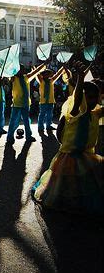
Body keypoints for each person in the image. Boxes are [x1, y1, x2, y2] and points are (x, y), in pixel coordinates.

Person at [32, 62, 104, 215]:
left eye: (95, 98)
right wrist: (80, 78)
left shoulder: (95, 113)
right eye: (89, 98)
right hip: (69, 158)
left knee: (84, 184)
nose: (93, 101)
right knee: (67, 185)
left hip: (86, 156)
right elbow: (78, 98)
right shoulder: (77, 111)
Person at [7, 62, 47, 144]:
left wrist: (44, 64)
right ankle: (10, 137)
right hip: (17, 104)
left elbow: (36, 72)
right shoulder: (13, 78)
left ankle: (28, 136)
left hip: (25, 104)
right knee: (13, 121)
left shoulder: (26, 77)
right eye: (21, 69)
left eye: (23, 69)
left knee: (26, 121)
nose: (23, 70)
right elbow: (8, 74)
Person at [37, 67, 64, 133]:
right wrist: (33, 67)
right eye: (46, 74)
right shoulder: (41, 81)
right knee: (42, 115)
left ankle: (48, 126)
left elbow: (58, 74)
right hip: (43, 102)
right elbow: (36, 73)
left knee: (49, 115)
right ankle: (40, 127)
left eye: (48, 74)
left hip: (51, 101)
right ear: (43, 75)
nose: (47, 75)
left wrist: (63, 68)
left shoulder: (51, 80)